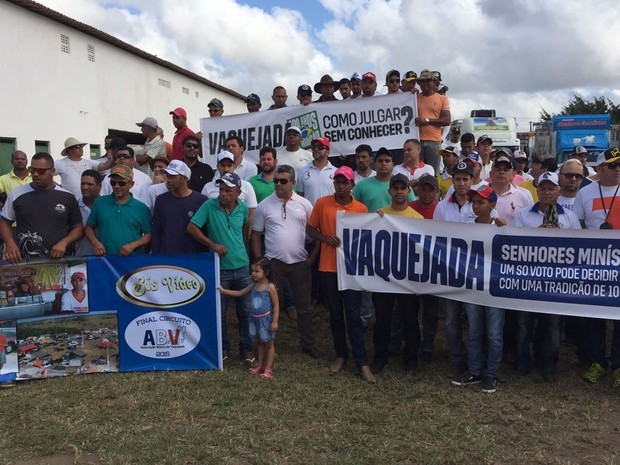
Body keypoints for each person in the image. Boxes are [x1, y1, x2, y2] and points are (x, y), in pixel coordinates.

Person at [307, 166, 375, 383]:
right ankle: (340, 355)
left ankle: (362, 361)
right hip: (328, 269)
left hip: (351, 271)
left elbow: (367, 241)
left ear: (352, 185)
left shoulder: (362, 209)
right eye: (338, 182)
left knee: (354, 316)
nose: (341, 186)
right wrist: (326, 238)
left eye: (345, 182)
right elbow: (310, 229)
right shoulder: (322, 204)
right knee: (335, 316)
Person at [513, 172, 580, 383]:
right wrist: (536, 235)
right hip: (527, 279)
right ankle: (522, 362)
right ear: (538, 191)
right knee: (524, 323)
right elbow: (512, 244)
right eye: (543, 188)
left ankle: (549, 364)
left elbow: (579, 247)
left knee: (552, 325)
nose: (548, 192)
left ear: (558, 191)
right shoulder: (524, 215)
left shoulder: (568, 217)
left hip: (555, 280)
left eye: (552, 188)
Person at [251, 165, 321, 358]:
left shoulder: (305, 204)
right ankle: (267, 344)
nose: (279, 184)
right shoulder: (264, 205)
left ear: (293, 182)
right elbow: (256, 235)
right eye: (276, 181)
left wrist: (313, 257)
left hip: (300, 263)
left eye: (283, 181)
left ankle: (308, 344)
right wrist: (260, 262)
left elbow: (315, 232)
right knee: (268, 306)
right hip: (274, 264)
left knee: (304, 307)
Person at [188, 172, 255, 365]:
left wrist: (241, 250)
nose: (223, 194)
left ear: (238, 192)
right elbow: (192, 228)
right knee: (221, 312)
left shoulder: (242, 207)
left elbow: (244, 231)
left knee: (245, 311)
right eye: (221, 189)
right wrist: (212, 245)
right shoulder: (210, 205)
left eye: (228, 190)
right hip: (220, 269)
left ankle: (246, 349)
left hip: (242, 267)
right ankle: (223, 348)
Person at [573, 148, 620, 388]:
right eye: (612, 165)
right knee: (595, 317)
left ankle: (618, 367)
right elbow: (579, 224)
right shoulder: (586, 192)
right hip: (595, 266)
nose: (618, 169)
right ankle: (598, 362)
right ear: (599, 169)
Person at [452, 185, 504, 393]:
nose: (475, 206)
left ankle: (491, 373)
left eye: (480, 202)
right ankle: (474, 371)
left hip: (494, 288)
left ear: (492, 205)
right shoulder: (465, 226)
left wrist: (505, 228)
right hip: (472, 286)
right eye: (473, 202)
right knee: (474, 330)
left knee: (493, 333)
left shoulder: (502, 227)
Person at [372, 174, 423, 376]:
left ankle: (411, 360)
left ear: (408, 190)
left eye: (403, 188)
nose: (400, 191)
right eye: (396, 188)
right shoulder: (378, 215)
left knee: (410, 320)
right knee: (382, 320)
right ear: (390, 191)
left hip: (407, 278)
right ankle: (380, 357)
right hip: (383, 278)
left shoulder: (417, 219)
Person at [433, 161, 476, 377]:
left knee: (474, 320)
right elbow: (436, 239)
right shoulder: (441, 207)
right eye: (457, 179)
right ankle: (457, 359)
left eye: (465, 179)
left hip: (475, 274)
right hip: (450, 272)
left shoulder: (479, 204)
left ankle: (475, 359)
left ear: (472, 180)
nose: (461, 183)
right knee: (450, 321)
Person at [0, 152, 83, 263]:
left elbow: (78, 228)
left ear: (53, 171)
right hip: (26, 262)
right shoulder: (17, 194)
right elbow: (4, 222)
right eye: (32, 170)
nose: (35, 174)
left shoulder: (67, 196)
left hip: (60, 261)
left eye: (41, 171)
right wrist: (10, 244)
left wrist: (64, 242)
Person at [219, 256, 279, 379]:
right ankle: (260, 365)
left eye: (257, 271)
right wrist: (224, 291)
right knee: (260, 343)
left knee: (269, 344)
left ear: (266, 273)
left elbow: (276, 305)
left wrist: (275, 321)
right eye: (252, 271)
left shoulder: (270, 287)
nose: (253, 273)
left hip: (266, 321)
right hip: (255, 319)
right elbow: (240, 293)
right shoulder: (252, 286)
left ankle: (268, 368)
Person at [85, 165, 152, 256]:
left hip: (133, 260)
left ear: (131, 184)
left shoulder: (141, 208)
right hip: (106, 260)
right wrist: (95, 242)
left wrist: (133, 245)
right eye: (113, 183)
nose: (117, 186)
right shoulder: (100, 202)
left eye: (122, 183)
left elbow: (149, 234)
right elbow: (89, 227)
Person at [152, 160, 207, 254]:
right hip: (167, 258)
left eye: (173, 177)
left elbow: (206, 232)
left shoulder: (201, 200)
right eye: (168, 176)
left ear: (185, 178)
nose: (168, 180)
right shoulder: (161, 200)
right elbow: (157, 232)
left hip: (194, 258)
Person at [201, 151, 257, 229]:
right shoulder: (208, 187)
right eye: (223, 165)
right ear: (217, 167)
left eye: (229, 165)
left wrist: (247, 238)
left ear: (234, 166)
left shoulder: (246, 186)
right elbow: (202, 213)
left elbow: (251, 215)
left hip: (239, 234)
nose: (226, 169)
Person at [352, 147, 414, 213]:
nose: (383, 163)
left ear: (393, 164)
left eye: (387, 161)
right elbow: (351, 207)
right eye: (380, 161)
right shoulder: (362, 185)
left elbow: (413, 207)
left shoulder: (403, 185)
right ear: (375, 164)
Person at [414, 69, 451, 173]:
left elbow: (447, 120)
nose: (425, 83)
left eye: (428, 81)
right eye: (422, 81)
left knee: (433, 173)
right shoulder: (413, 98)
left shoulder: (442, 98)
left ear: (434, 82)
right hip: (417, 141)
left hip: (434, 142)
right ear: (419, 84)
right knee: (417, 172)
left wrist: (426, 121)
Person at [297, 137, 337, 205]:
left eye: (320, 147)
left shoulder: (336, 171)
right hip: (310, 213)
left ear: (328, 151)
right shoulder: (302, 171)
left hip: (330, 213)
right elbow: (300, 197)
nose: (316, 149)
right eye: (313, 147)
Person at [75, 169, 102, 256]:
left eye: (90, 184)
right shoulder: (73, 207)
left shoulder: (107, 207)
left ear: (99, 186)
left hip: (106, 259)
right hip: (79, 259)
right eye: (82, 184)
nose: (85, 187)